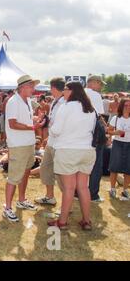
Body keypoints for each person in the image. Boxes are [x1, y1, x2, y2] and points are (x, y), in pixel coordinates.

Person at [48, 81, 96, 230]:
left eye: (66, 89)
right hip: (87, 150)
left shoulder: (66, 107)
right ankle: (86, 220)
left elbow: (56, 130)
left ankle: (62, 222)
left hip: (68, 150)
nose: (64, 92)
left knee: (69, 188)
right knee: (83, 187)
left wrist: (50, 126)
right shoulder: (90, 109)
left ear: (71, 91)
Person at [3, 75, 45, 222]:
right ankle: (7, 208)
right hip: (18, 144)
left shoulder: (26, 100)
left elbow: (24, 120)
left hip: (28, 142)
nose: (34, 89)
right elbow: (13, 124)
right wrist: (33, 126)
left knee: (26, 172)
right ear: (23, 87)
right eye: (32, 86)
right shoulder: (13, 101)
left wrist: (35, 120)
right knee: (14, 177)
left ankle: (21, 200)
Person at [35, 77, 66, 206]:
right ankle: (49, 196)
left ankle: (67, 203)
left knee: (62, 174)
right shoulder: (55, 101)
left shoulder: (65, 102)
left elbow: (62, 124)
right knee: (46, 168)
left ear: (53, 88)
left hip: (60, 143)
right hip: (52, 141)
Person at [84, 75, 106, 203]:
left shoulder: (79, 92)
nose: (101, 87)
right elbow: (99, 115)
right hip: (94, 131)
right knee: (96, 163)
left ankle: (77, 192)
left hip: (81, 133)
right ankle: (93, 194)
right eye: (100, 84)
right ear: (93, 83)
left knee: (81, 163)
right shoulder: (95, 95)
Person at [108, 98, 130, 200]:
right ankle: (112, 189)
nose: (128, 107)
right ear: (121, 106)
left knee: (128, 169)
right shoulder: (116, 118)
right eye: (126, 105)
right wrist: (116, 133)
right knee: (114, 167)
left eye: (129, 105)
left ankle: (125, 190)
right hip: (118, 143)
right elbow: (109, 131)